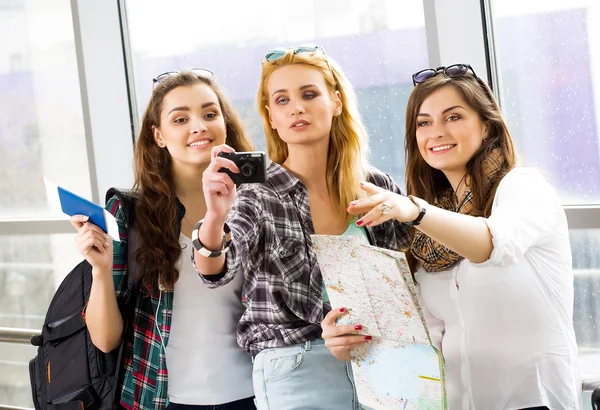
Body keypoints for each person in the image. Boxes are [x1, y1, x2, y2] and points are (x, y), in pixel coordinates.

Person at [321, 64, 581, 409]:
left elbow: (491, 243)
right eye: (424, 123)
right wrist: (350, 338)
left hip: (533, 399)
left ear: (486, 125)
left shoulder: (522, 187)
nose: (436, 132)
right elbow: (424, 336)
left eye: (453, 117)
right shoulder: (429, 234)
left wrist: (415, 211)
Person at [192, 46, 412, 410]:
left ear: (336, 102)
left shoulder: (376, 187)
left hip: (380, 361)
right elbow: (216, 269)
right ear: (272, 118)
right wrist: (215, 218)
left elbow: (409, 277)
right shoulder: (259, 193)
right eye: (282, 100)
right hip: (297, 365)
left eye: (309, 94)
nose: (297, 107)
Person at [70, 70, 256, 410]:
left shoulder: (255, 202)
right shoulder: (129, 212)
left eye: (210, 114)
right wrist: (99, 270)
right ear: (158, 135)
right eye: (180, 118)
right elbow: (106, 340)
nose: (198, 125)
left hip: (256, 393)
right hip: (158, 398)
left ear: (225, 123)